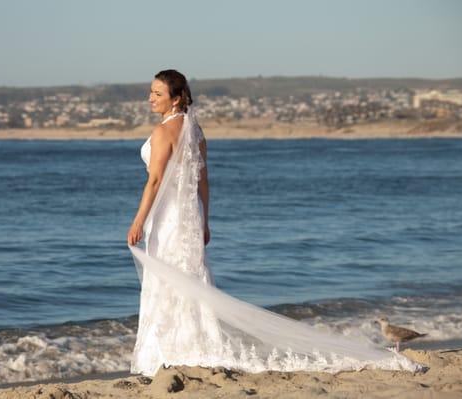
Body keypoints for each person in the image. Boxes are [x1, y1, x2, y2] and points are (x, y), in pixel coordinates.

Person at [127, 69, 424, 377]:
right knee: (189, 280)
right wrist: (204, 221)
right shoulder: (195, 130)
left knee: (170, 281)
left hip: (169, 219)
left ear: (176, 99)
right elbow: (203, 181)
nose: (151, 98)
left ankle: (169, 353)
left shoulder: (164, 132)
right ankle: (192, 346)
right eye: (151, 92)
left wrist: (138, 221)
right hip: (189, 218)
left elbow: (156, 181)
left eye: (158, 93)